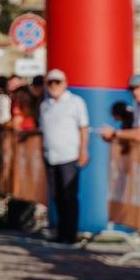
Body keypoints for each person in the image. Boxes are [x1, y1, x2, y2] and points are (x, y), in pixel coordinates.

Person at [39, 68, 89, 246]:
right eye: (50, 82)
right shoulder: (45, 105)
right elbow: (43, 131)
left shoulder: (75, 102)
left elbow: (83, 128)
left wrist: (83, 150)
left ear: (65, 83)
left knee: (69, 195)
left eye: (57, 82)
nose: (54, 86)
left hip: (69, 155)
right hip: (50, 156)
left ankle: (71, 234)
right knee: (57, 196)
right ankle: (61, 232)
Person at [100, 74, 140, 143]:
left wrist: (114, 133)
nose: (134, 92)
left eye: (138, 88)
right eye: (132, 89)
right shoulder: (138, 101)